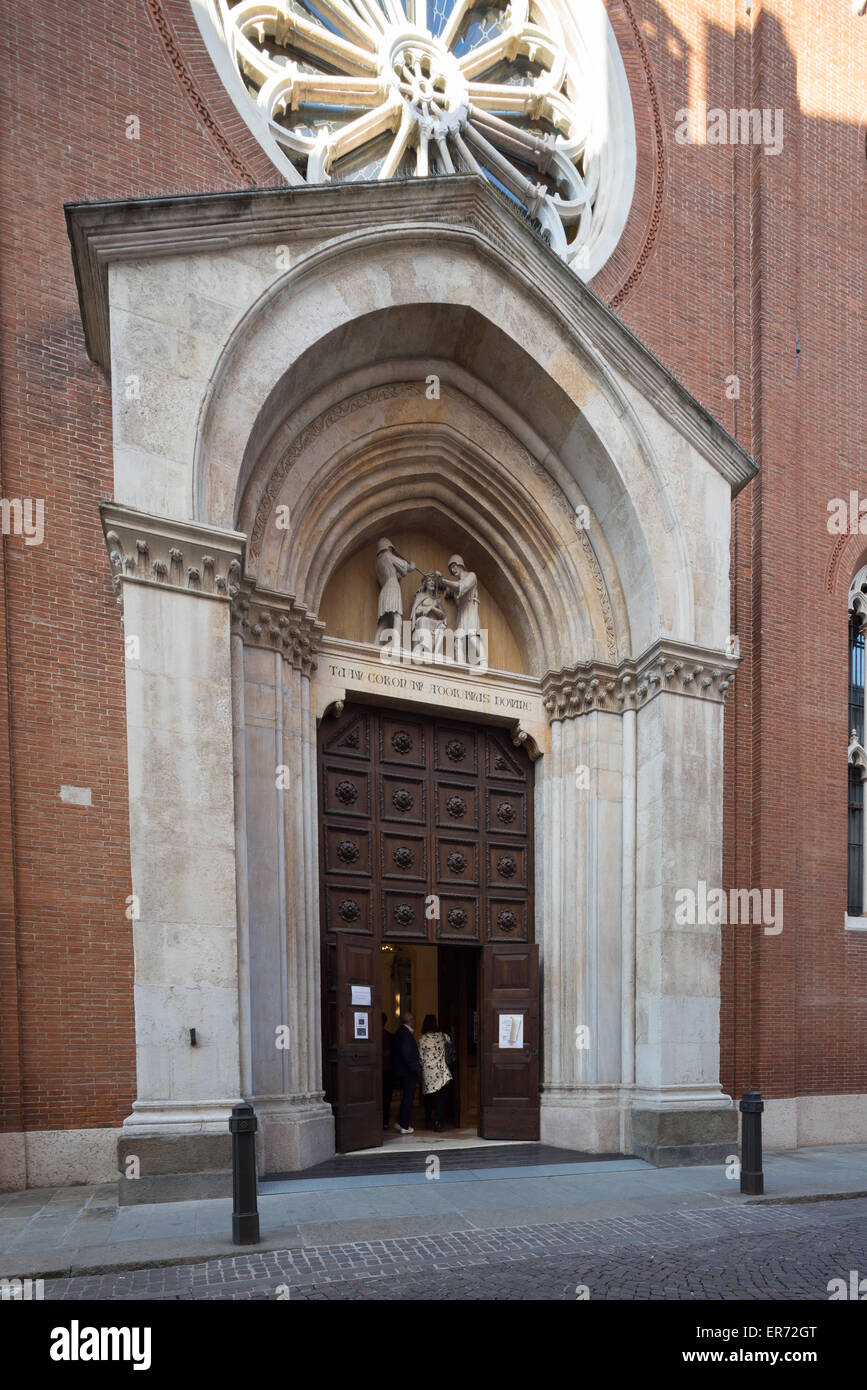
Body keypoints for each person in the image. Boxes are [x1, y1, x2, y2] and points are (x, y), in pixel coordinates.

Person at [418, 1013, 453, 1132]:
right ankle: (438, 1122)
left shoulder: (422, 1040)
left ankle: (427, 1121)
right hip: (440, 1071)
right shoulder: (443, 1036)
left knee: (427, 1098)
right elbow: (450, 1046)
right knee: (440, 1098)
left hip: (428, 1072)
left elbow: (420, 1057)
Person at [391, 1010, 422, 1134]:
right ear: (411, 1021)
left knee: (405, 1098)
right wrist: (417, 1070)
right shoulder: (406, 1034)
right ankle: (404, 1125)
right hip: (408, 1072)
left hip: (402, 1071)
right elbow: (408, 1054)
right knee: (408, 1099)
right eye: (414, 1020)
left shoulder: (400, 1032)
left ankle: (400, 1122)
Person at [382, 1012, 396, 1131]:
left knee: (386, 1098)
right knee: (384, 1098)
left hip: (387, 1072)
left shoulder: (390, 1037)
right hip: (381, 1071)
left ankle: (385, 1122)